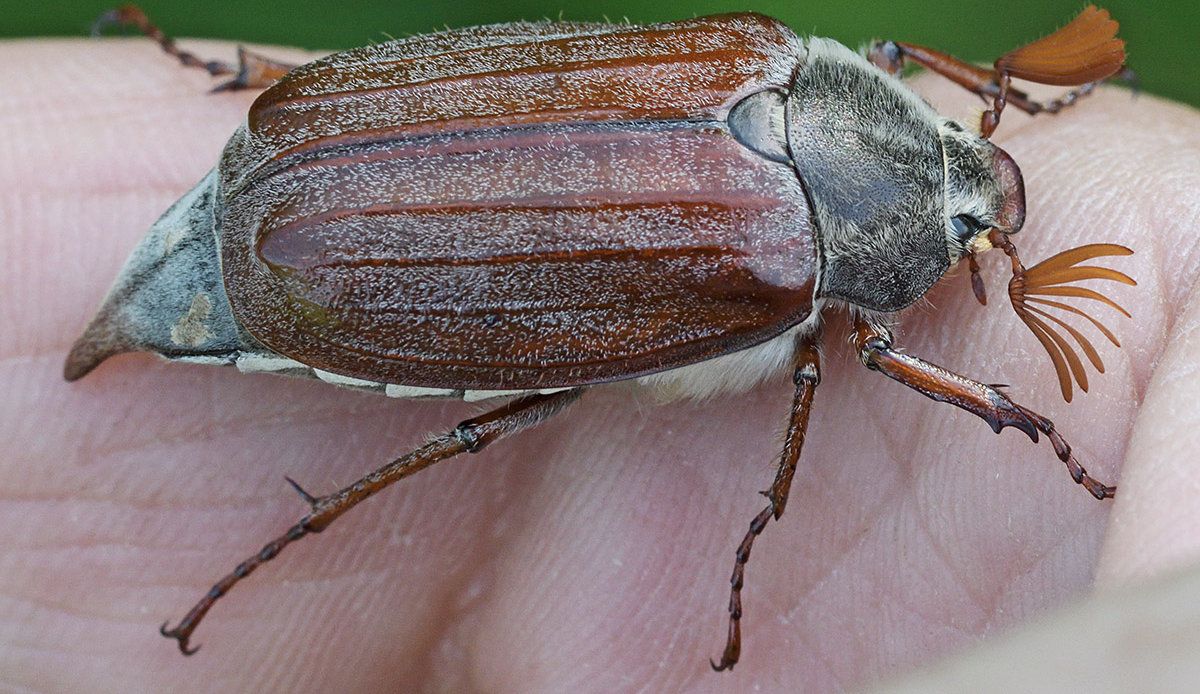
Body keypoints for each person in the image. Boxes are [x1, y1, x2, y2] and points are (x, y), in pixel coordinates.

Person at [3, 35, 1198, 693]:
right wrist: (1021, 416)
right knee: (501, 420)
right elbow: (848, 365)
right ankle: (289, 530)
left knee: (481, 137)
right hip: (326, 267)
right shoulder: (782, 268)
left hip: (341, 174)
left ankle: (242, 80)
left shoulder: (761, 52)